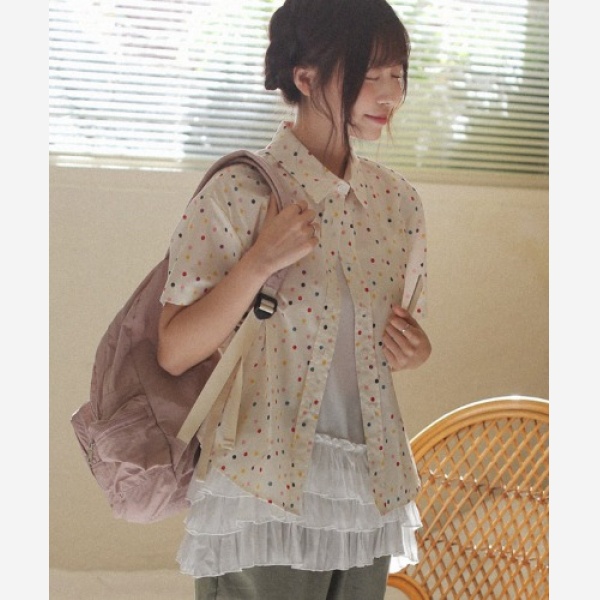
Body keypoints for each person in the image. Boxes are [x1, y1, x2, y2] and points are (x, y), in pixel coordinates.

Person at [157, 0, 432, 598]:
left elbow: (378, 346)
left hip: (367, 486)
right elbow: (174, 350)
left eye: (397, 74)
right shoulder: (240, 192)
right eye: (370, 74)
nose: (390, 93)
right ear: (305, 78)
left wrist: (414, 351)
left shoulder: (398, 206)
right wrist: (258, 262)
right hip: (262, 484)